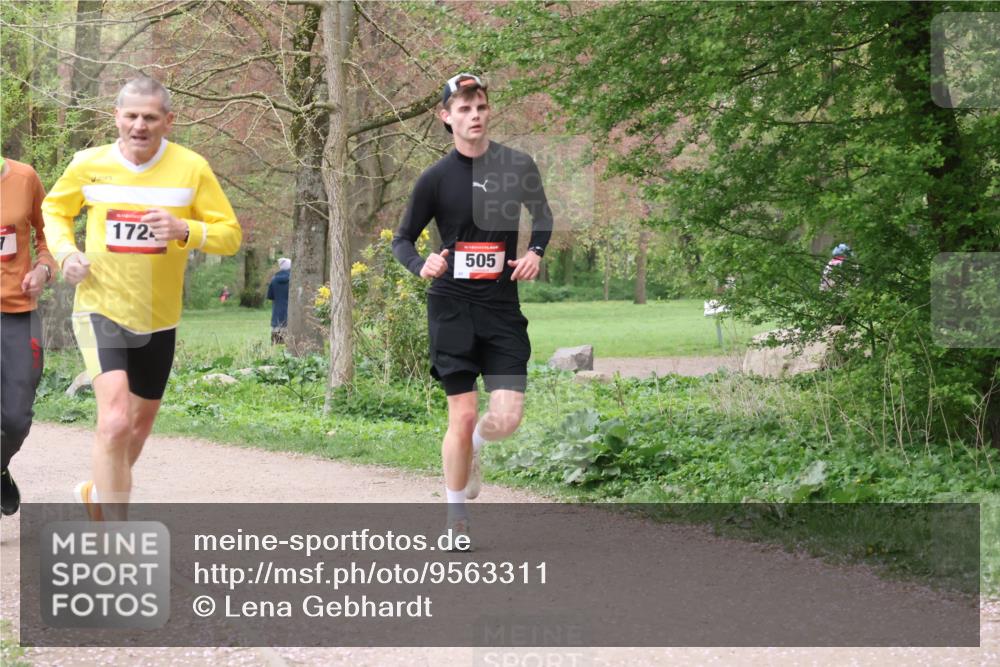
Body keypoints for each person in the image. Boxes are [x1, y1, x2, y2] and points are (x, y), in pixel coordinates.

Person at [42, 76, 241, 520]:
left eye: (150, 117)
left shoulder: (192, 168)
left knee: (137, 426)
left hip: (159, 317)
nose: (139, 125)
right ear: (116, 117)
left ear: (168, 121)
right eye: (131, 115)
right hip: (100, 307)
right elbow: (54, 210)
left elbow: (229, 235)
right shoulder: (88, 164)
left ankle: (98, 492)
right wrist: (66, 253)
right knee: (114, 420)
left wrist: (185, 229)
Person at [392, 73, 553, 546]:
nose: (474, 115)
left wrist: (535, 252)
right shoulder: (435, 179)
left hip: (501, 309)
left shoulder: (517, 165)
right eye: (463, 109)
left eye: (480, 106)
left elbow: (543, 216)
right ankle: (456, 518)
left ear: (488, 110)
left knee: (507, 418)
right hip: (452, 308)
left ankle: (473, 449)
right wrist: (421, 264)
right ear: (446, 117)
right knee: (461, 417)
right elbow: (402, 240)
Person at [1, 156, 58, 517]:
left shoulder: (24, 178)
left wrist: (43, 269)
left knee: (16, 419)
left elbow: (49, 236)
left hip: (17, 315)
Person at [267, 257, 291, 344]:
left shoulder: (274, 280)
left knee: (276, 343)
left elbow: (270, 296)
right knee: (289, 343)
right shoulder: (293, 280)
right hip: (290, 315)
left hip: (276, 316)